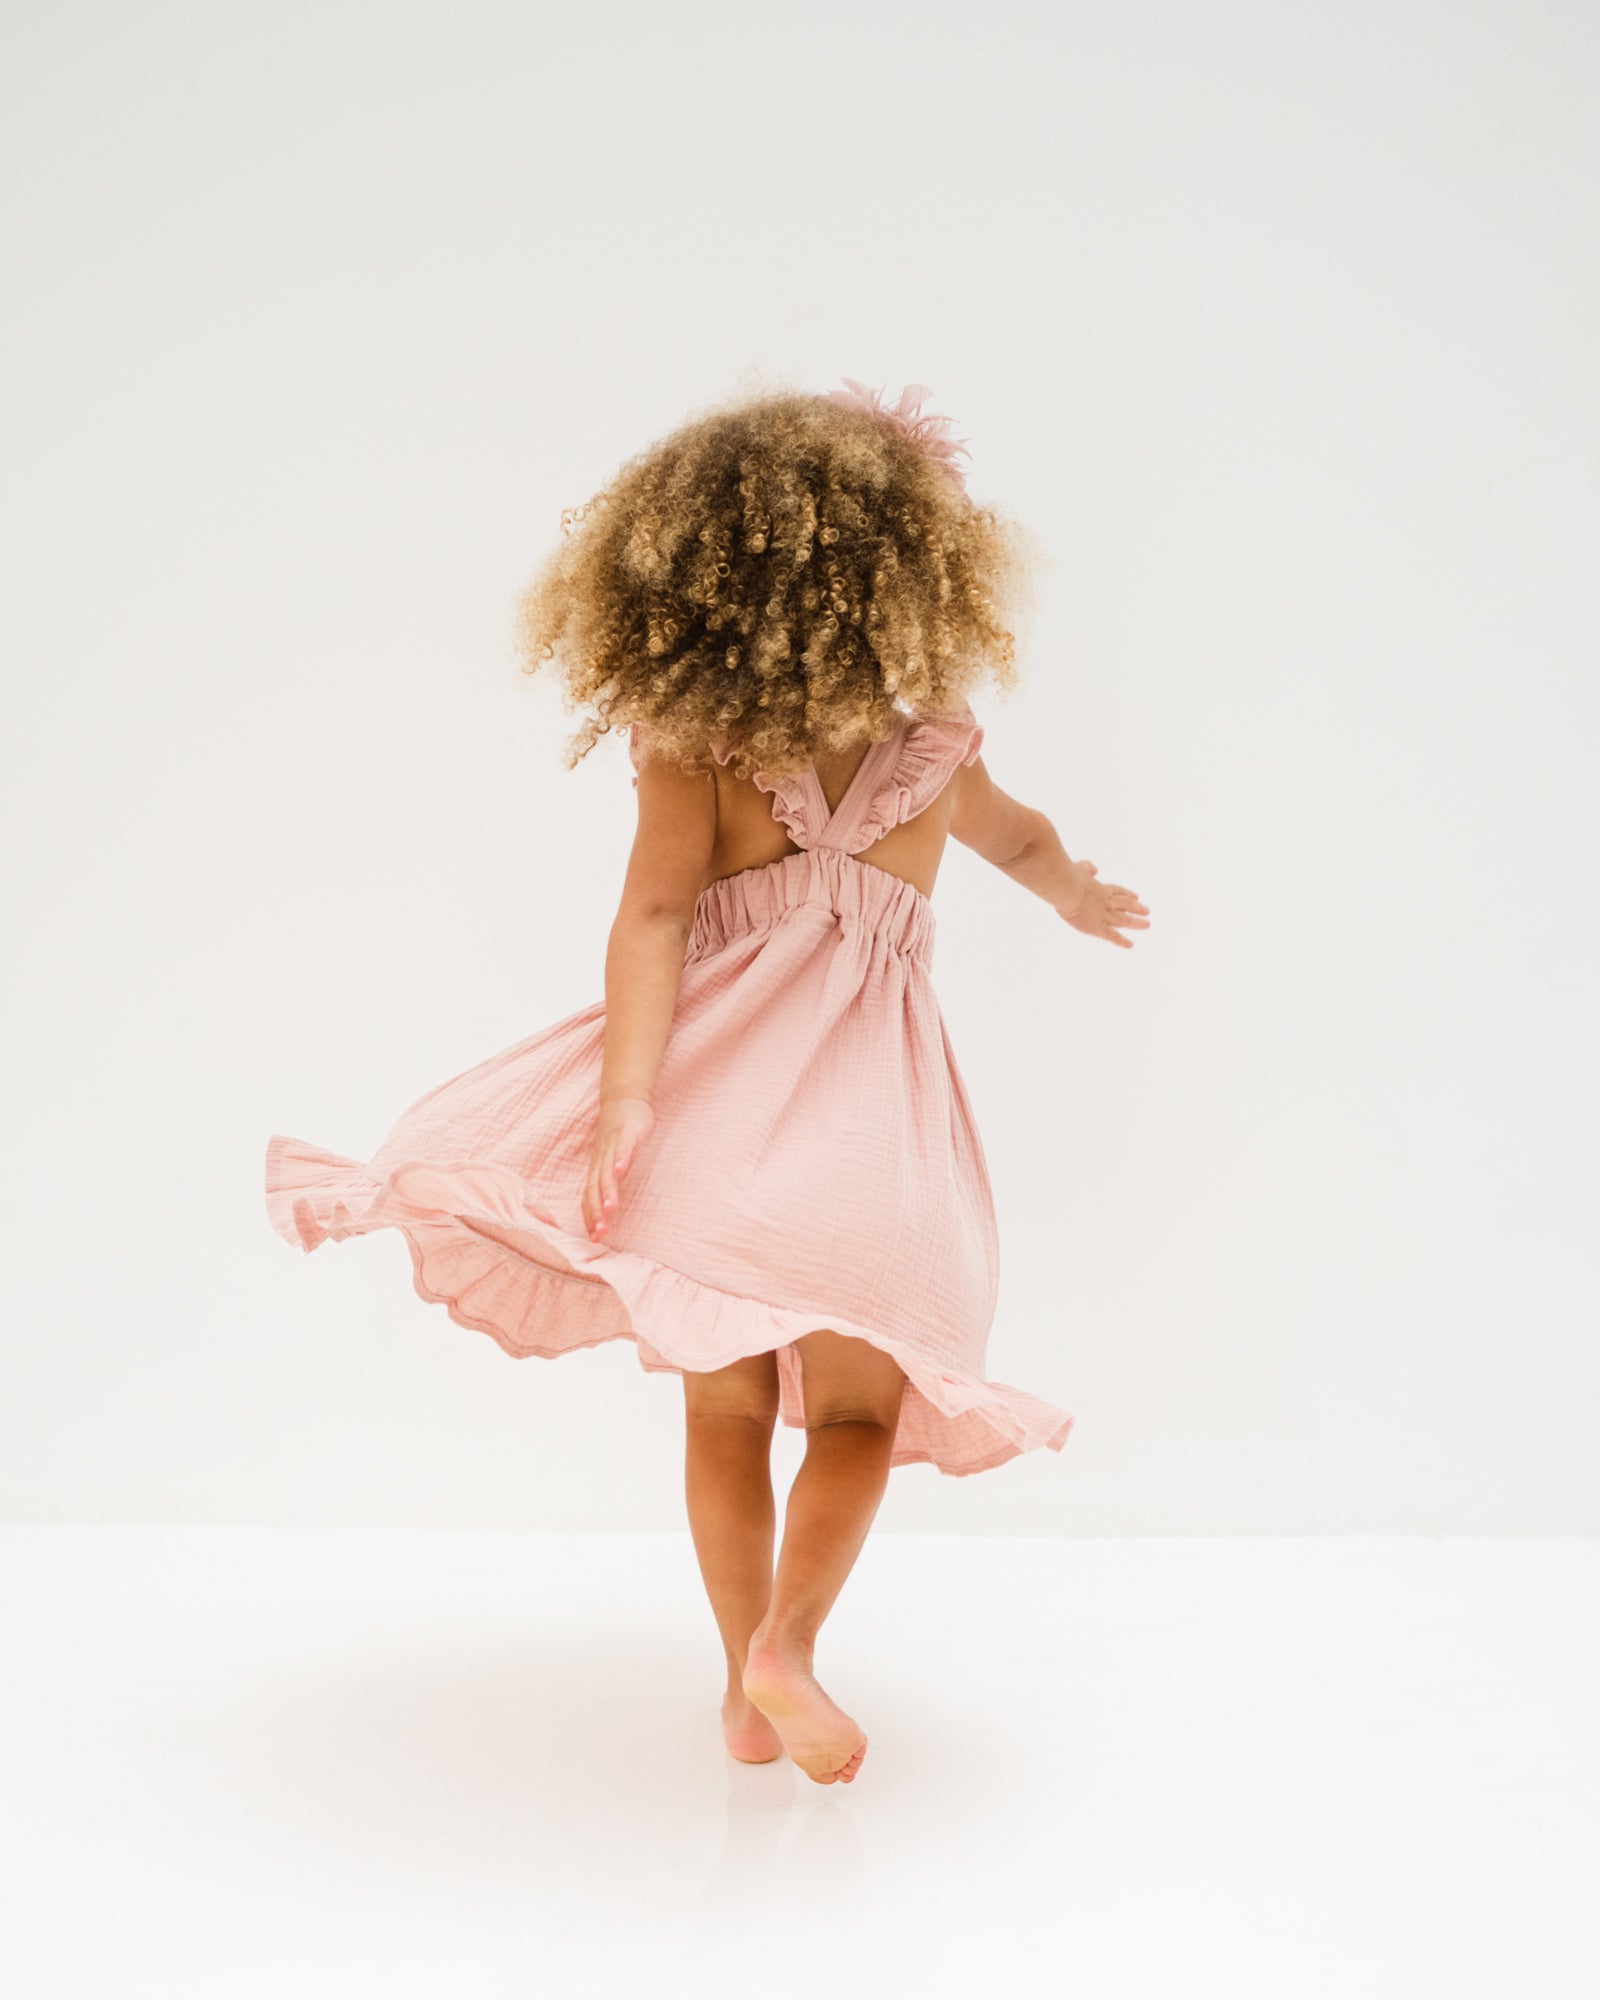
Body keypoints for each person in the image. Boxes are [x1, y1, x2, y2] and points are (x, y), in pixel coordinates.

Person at [264, 378, 1150, 1786]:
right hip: (880, 1142)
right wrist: (1076, 892)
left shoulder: (697, 746)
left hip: (723, 1125)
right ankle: (790, 1644)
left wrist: (624, 1099)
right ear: (914, 577)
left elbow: (658, 919)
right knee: (860, 1412)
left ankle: (741, 1682)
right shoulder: (936, 751)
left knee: (727, 1410)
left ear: (699, 575)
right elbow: (1025, 838)